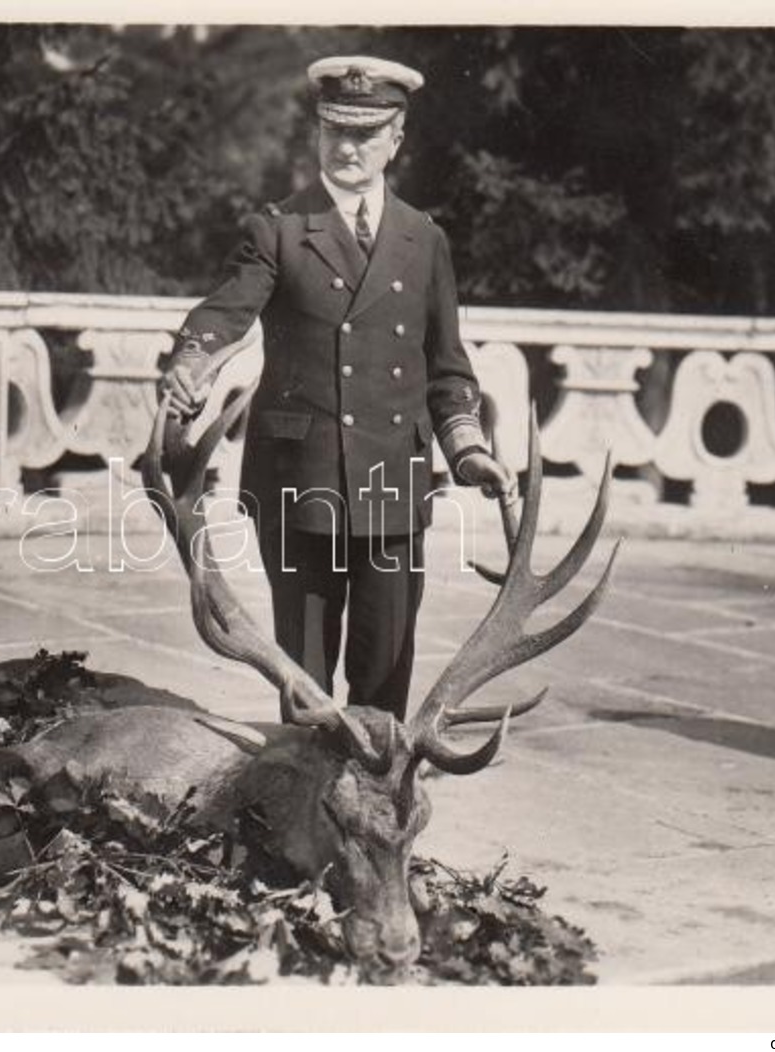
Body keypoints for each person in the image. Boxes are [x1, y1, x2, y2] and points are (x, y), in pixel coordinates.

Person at [160, 55, 515, 720]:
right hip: (300, 481)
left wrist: (467, 449)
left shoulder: (423, 237)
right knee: (305, 678)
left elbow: (447, 366)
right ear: (317, 134)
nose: (348, 147)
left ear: (395, 138)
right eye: (334, 132)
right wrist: (191, 360)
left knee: (385, 669)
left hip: (393, 483)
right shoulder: (278, 229)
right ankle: (307, 811)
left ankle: (374, 809)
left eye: (365, 133)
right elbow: (223, 312)